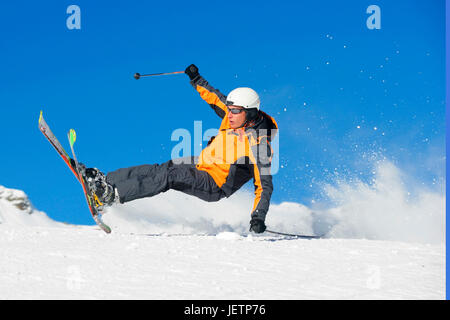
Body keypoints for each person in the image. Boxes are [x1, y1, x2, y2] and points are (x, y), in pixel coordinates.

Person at [84, 64, 278, 233]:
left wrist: (258, 217)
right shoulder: (232, 116)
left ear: (250, 112)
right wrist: (196, 79)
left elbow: (264, 186)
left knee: (171, 176)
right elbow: (214, 97)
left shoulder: (259, 145)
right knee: (162, 167)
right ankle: (106, 180)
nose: (230, 114)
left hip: (214, 183)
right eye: (229, 109)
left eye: (235, 111)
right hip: (203, 163)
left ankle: (111, 195)